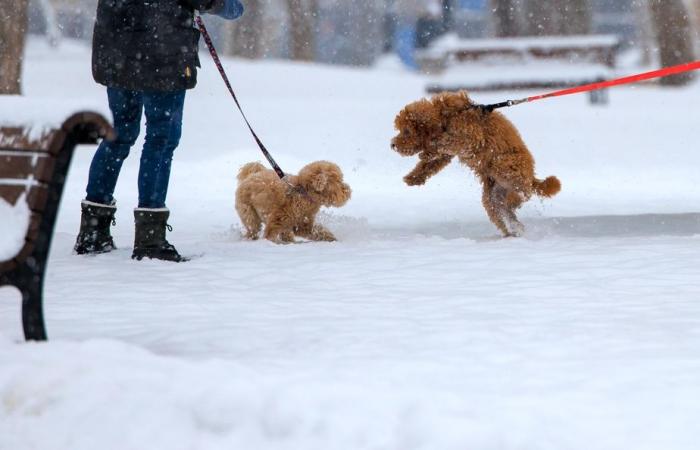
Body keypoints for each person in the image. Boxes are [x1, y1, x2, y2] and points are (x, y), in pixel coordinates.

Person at [74, 0, 244, 262]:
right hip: (162, 52)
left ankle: (93, 232)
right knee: (161, 139)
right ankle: (150, 237)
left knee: (119, 134)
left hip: (117, 50)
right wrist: (230, 7)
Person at [393, 0, 441, 70]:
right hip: (407, 20)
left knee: (405, 43)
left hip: (408, 21)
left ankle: (412, 66)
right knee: (404, 43)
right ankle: (412, 66)